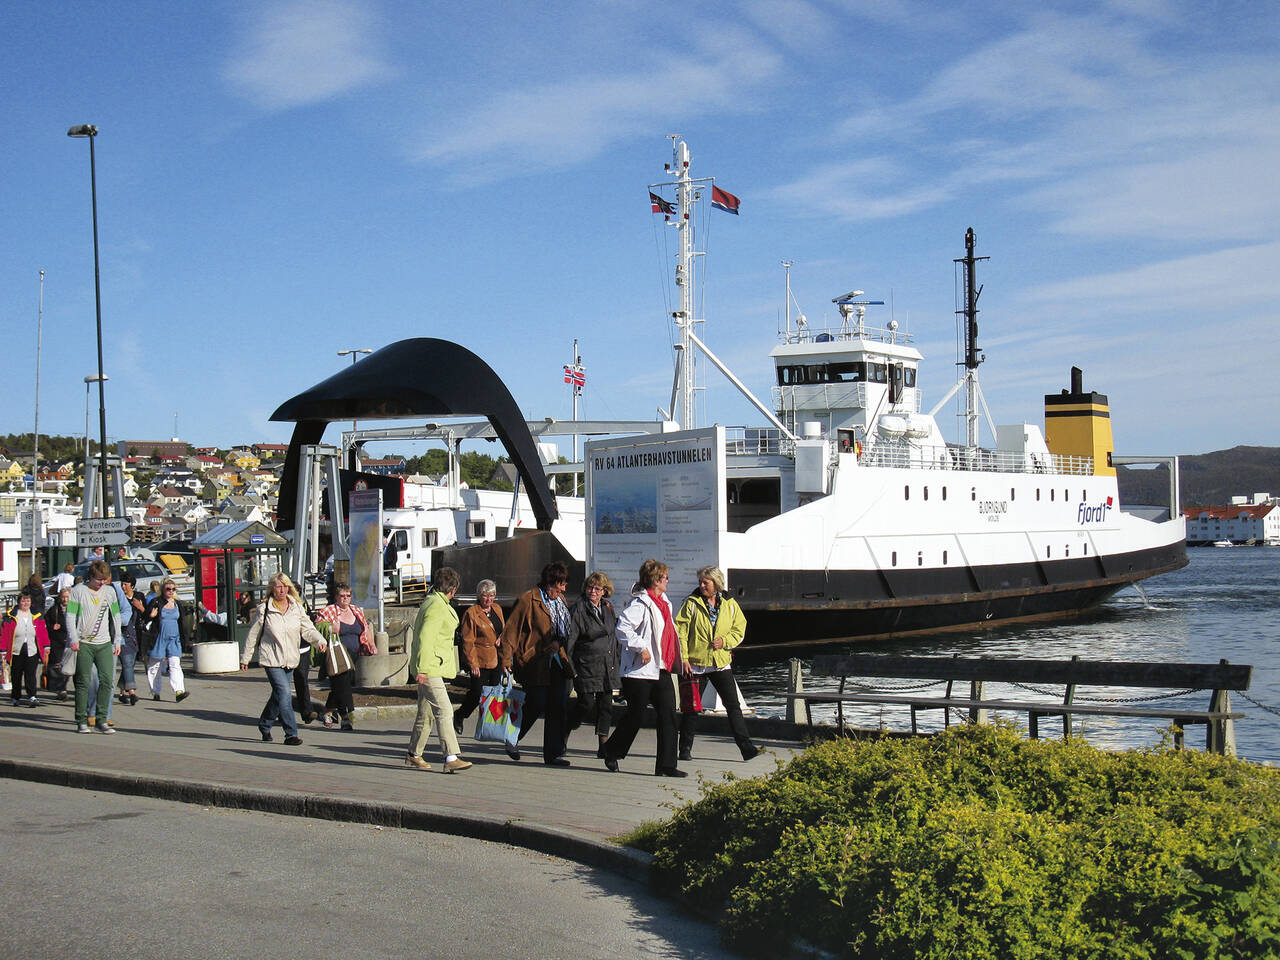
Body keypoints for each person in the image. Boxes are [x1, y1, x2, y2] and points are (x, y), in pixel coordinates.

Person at [601, 559, 685, 776]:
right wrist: (641, 648)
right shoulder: (640, 604)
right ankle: (612, 750)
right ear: (656, 580)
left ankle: (667, 766)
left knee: (668, 714)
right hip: (639, 670)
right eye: (665, 577)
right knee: (636, 715)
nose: (668, 580)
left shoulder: (665, 603)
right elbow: (623, 628)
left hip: (661, 667)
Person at [674, 565, 758, 762]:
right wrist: (684, 658)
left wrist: (725, 641)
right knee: (692, 709)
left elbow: (739, 627)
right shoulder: (691, 603)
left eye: (706, 582)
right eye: (701, 582)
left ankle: (746, 748)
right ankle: (684, 749)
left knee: (733, 706)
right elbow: (681, 632)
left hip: (720, 663)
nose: (702, 585)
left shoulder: (729, 604)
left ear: (716, 583)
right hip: (696, 663)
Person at [240, 572, 327, 746]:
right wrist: (245, 658)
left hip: (290, 659)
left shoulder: (296, 607)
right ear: (272, 589)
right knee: (285, 694)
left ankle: (264, 724)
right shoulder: (264, 609)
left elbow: (308, 629)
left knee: (278, 696)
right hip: (271, 658)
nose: (282, 590)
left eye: (285, 586)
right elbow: (253, 635)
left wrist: (319, 641)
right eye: (278, 586)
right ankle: (291, 734)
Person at [502, 561, 573, 766]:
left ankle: (553, 754)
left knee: (557, 707)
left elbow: (564, 631)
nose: (563, 588)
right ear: (551, 582)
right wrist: (506, 658)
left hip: (557, 661)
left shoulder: (561, 601)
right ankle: (512, 737)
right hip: (535, 661)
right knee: (536, 703)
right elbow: (511, 631)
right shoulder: (528, 599)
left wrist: (558, 643)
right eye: (561, 584)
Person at [404, 566, 471, 773]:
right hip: (429, 666)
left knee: (426, 713)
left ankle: (414, 753)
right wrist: (423, 669)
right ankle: (450, 756)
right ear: (452, 589)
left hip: (430, 665)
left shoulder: (432, 601)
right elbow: (426, 638)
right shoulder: (436, 606)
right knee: (444, 709)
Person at [66, 558, 123, 734]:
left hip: (104, 642)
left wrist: (117, 639)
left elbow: (116, 616)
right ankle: (81, 720)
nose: (101, 583)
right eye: (99, 579)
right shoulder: (78, 591)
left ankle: (101, 719)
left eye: (104, 579)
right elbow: (70, 616)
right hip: (84, 642)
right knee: (83, 682)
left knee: (107, 681)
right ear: (91, 576)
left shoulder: (109, 592)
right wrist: (73, 638)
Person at [566, 571, 620, 759]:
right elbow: (570, 641)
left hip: (607, 665)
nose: (593, 591)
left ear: (605, 591)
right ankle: (566, 728)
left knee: (606, 705)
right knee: (586, 703)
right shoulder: (579, 609)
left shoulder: (607, 608)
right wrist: (571, 669)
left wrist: (617, 662)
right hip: (586, 665)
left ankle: (603, 745)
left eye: (597, 588)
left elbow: (613, 636)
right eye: (590, 587)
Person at [315, 582, 376, 730]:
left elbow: (366, 629)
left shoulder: (356, 611)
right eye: (342, 596)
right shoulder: (328, 611)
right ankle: (346, 717)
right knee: (343, 685)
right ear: (336, 597)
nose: (345, 599)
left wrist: (372, 644)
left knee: (341, 686)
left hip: (354, 655)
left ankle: (328, 712)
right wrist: (330, 628)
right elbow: (317, 628)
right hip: (336, 655)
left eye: (348, 596)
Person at [453, 579, 509, 735]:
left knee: (494, 694)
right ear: (479, 596)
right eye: (485, 596)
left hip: (496, 658)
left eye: (492, 595)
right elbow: (468, 641)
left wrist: (500, 639)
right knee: (477, 692)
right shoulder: (472, 613)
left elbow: (504, 630)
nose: (489, 599)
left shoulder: (497, 609)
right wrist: (473, 664)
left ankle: (489, 727)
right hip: (480, 658)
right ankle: (461, 714)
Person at [144, 579, 189, 702]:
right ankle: (155, 691)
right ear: (162, 590)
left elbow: (182, 622)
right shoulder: (156, 602)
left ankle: (179, 691)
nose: (171, 591)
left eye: (173, 589)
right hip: (159, 637)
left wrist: (185, 638)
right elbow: (145, 616)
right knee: (155, 665)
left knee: (175, 664)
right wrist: (151, 615)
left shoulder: (178, 604)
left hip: (174, 638)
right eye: (168, 589)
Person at [2, 593, 50, 707]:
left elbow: (43, 632)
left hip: (31, 648)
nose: (25, 603)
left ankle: (32, 696)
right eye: (23, 601)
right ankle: (15, 697)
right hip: (16, 649)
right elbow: (4, 635)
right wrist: (2, 650)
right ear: (19, 602)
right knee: (16, 675)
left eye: (28, 601)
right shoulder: (10, 617)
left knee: (31, 674)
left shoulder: (36, 616)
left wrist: (46, 645)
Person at [114, 572, 146, 706]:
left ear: (132, 586)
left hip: (135, 635)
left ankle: (122, 692)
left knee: (130, 665)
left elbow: (147, 614)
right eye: (122, 584)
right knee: (127, 664)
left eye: (126, 584)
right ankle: (132, 692)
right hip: (122, 635)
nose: (123, 586)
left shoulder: (139, 597)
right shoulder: (118, 599)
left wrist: (141, 607)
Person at [45, 588, 71, 701]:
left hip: (70, 642)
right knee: (59, 667)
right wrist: (52, 627)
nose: (65, 599)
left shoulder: (75, 609)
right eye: (63, 597)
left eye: (67, 597)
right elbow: (46, 624)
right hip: (57, 642)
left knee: (69, 668)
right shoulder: (54, 610)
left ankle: (64, 687)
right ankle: (62, 689)